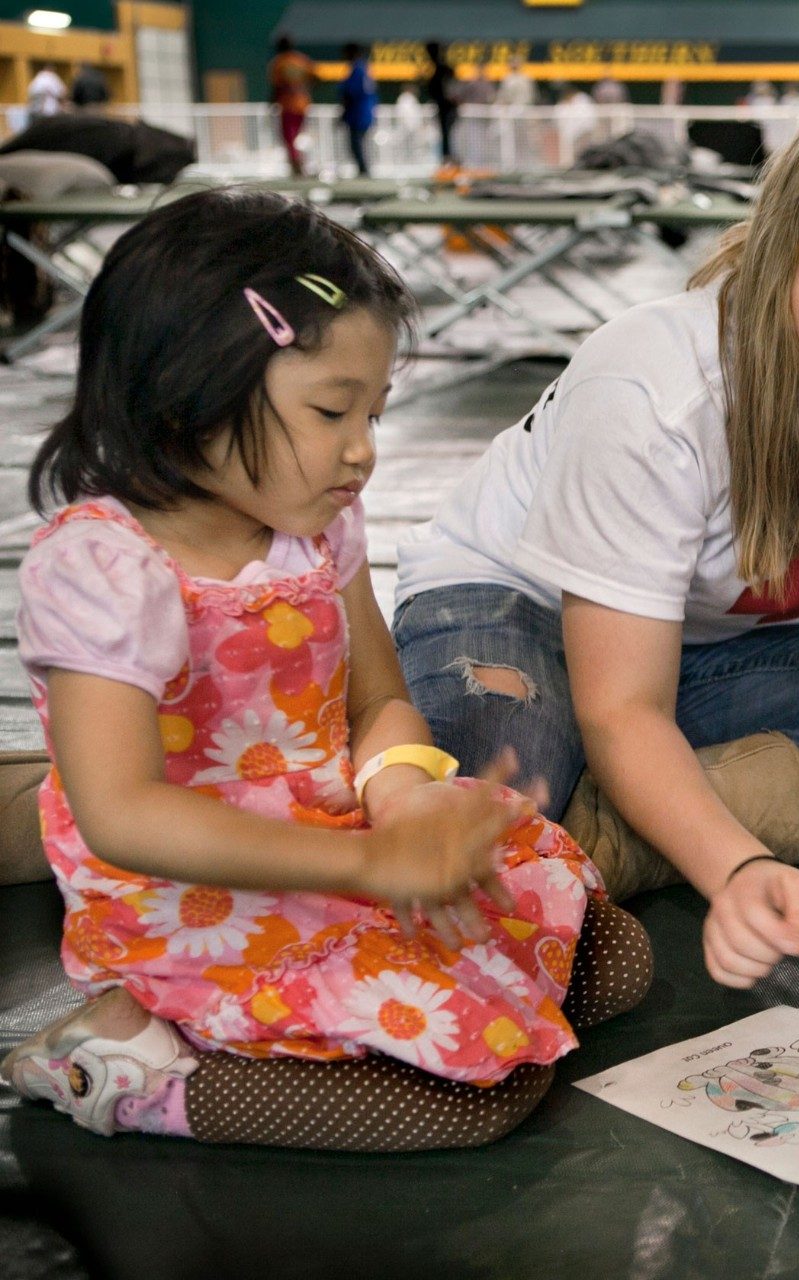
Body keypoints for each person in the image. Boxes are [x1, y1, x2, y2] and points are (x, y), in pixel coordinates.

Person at [0, 188, 652, 1151]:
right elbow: (124, 815)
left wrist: (403, 795)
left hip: (333, 835)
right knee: (473, 1097)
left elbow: (381, 698)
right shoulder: (104, 567)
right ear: (188, 394)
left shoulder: (315, 528)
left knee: (613, 959)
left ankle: (292, 1029)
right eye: (331, 410)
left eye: (377, 412)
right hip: (195, 897)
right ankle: (125, 1077)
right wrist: (367, 862)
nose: (363, 452)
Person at [390, 88, 799, 990]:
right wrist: (736, 866)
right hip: (509, 610)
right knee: (485, 822)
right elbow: (621, 705)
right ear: (780, 254)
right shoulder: (655, 386)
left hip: (687, 663)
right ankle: (607, 816)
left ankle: (614, 835)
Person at [268, 34, 315, 176]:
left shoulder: (279, 63)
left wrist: (272, 101)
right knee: (297, 136)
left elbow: (276, 86)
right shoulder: (302, 60)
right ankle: (300, 163)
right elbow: (314, 78)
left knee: (289, 137)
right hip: (303, 104)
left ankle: (296, 166)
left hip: (288, 105)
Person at [338, 42, 378, 177]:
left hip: (358, 113)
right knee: (357, 143)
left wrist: (343, 112)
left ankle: (363, 170)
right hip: (364, 112)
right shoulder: (364, 68)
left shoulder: (358, 69)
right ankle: (363, 170)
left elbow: (351, 93)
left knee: (356, 143)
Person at [423, 41, 459, 165]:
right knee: (444, 135)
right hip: (442, 107)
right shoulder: (436, 69)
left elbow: (452, 92)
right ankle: (447, 159)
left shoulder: (444, 70)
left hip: (449, 109)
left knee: (451, 135)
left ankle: (451, 159)